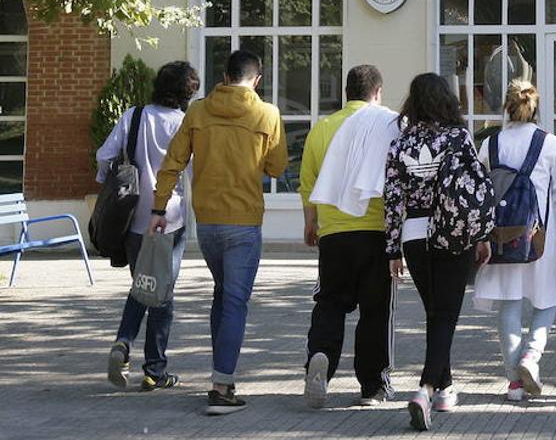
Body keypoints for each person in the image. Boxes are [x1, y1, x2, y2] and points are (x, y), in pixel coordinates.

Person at [151, 49, 287, 415]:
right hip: (243, 221)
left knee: (223, 296)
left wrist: (158, 208)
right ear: (256, 80)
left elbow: (172, 163)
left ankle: (219, 375)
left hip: (207, 223)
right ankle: (221, 386)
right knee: (235, 302)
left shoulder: (197, 111)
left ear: (224, 77)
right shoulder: (267, 113)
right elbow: (276, 168)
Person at [383, 73, 494, 431]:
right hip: (453, 232)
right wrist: (483, 234)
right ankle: (426, 389)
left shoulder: (401, 143)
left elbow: (392, 198)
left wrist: (392, 249)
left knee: (435, 312)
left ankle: (445, 388)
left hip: (414, 237)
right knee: (444, 314)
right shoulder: (458, 137)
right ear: (446, 100)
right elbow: (474, 189)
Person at [474, 79, 556, 402]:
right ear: (536, 108)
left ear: (506, 107)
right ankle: (531, 357)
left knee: (509, 305)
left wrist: (479, 237)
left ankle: (514, 384)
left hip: (500, 238)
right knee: (545, 301)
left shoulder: (490, 144)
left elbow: (479, 194)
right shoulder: (550, 144)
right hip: (539, 240)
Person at [300, 64, 400, 409]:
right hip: (376, 231)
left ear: (346, 92)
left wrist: (311, 223)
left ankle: (320, 358)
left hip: (334, 232)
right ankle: (373, 386)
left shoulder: (322, 128)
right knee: (375, 311)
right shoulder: (389, 124)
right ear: (378, 92)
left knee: (330, 303)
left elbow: (308, 183)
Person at [99, 61, 200, 392]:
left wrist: (108, 182)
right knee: (162, 294)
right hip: (170, 218)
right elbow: (196, 167)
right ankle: (155, 368)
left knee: (143, 286)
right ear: (187, 92)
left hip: (133, 217)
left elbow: (105, 155)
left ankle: (124, 342)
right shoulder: (184, 123)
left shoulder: (135, 115)